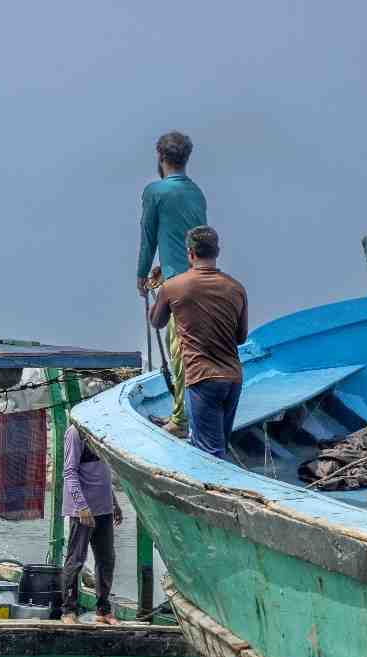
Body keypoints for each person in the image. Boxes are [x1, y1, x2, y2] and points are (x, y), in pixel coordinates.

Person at [148, 225, 248, 460]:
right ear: (217, 251)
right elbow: (241, 337)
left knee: (209, 456)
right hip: (233, 379)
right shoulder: (236, 288)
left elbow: (157, 321)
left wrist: (158, 289)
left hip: (202, 379)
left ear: (190, 253)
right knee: (219, 447)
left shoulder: (173, 287)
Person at [136, 131, 208, 438]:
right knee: (190, 347)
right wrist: (162, 269)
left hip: (179, 285)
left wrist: (141, 275)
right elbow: (186, 242)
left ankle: (180, 421)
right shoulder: (197, 193)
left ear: (160, 156)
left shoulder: (156, 192)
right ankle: (187, 412)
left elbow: (149, 236)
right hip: (200, 279)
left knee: (178, 349)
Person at [60, 422, 122, 625]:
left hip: (104, 508)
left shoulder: (101, 429)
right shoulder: (75, 432)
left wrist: (114, 502)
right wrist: (81, 506)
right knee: (76, 559)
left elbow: (103, 471)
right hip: (83, 511)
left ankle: (103, 610)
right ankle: (68, 611)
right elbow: (69, 472)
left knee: (107, 560)